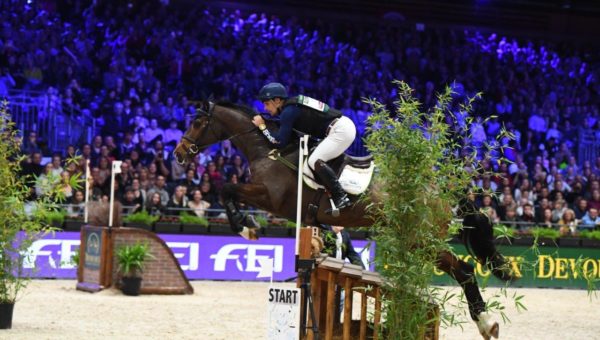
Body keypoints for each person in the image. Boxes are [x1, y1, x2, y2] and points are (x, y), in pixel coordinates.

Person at [252, 82, 356, 212]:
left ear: (277, 101)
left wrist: (262, 126)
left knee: (314, 161)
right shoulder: (291, 107)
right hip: (340, 127)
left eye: (267, 103)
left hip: (340, 131)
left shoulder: (289, 111)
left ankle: (341, 197)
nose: (265, 108)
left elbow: (279, 142)